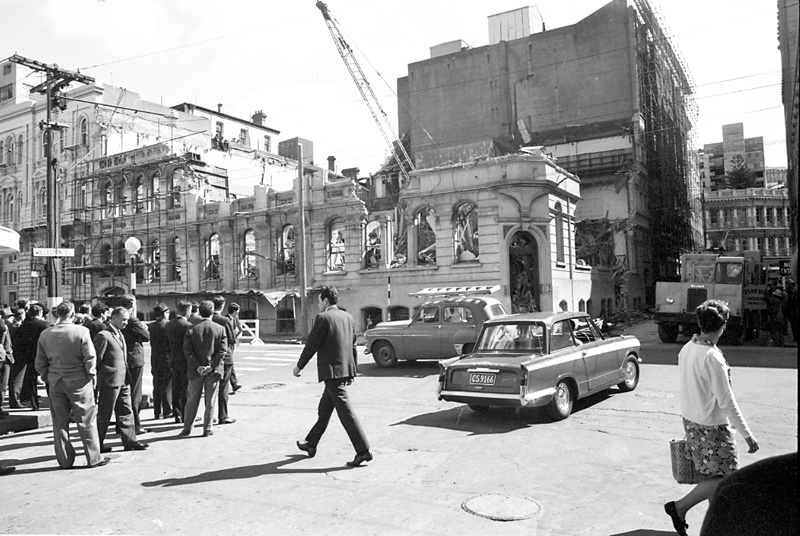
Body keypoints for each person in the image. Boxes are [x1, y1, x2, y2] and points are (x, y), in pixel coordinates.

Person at [664, 299, 758, 536]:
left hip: (693, 421)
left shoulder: (688, 348)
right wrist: (748, 435)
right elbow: (727, 402)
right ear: (723, 326)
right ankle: (679, 507)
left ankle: (718, 526)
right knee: (726, 480)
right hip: (712, 426)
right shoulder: (711, 357)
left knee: (713, 477)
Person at [293, 286, 372, 467]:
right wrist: (353, 370)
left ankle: (363, 451)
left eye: (320, 300)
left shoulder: (323, 318)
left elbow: (311, 345)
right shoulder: (348, 317)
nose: (319, 304)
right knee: (324, 410)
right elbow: (352, 346)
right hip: (343, 370)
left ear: (326, 300)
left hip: (331, 372)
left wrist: (299, 366)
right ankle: (311, 444)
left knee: (346, 412)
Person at [35, 301, 109, 469]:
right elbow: (90, 357)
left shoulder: (45, 334)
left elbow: (39, 362)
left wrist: (48, 376)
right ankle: (93, 457)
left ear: (56, 314)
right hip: (79, 380)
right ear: (72, 313)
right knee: (86, 419)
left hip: (56, 380)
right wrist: (91, 375)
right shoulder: (81, 331)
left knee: (59, 421)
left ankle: (65, 459)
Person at [699, 451, 797, 535]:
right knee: (723, 477)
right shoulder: (749, 481)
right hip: (718, 440)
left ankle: (683, 507)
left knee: (721, 479)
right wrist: (747, 436)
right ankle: (683, 507)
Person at [94, 307, 148, 453]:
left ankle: (130, 441)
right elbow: (97, 360)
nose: (126, 323)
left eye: (127, 320)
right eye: (123, 319)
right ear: (113, 318)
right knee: (105, 413)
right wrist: (95, 379)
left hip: (124, 379)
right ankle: (97, 443)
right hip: (110, 381)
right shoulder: (103, 335)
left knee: (126, 411)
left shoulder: (120, 334)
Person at [180, 300, 227, 437]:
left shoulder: (192, 329)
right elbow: (222, 351)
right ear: (213, 312)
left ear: (199, 312)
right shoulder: (219, 329)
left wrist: (198, 366)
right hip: (213, 370)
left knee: (192, 399)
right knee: (210, 400)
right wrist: (211, 366)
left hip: (196, 370)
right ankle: (207, 428)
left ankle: (187, 427)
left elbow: (187, 350)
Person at [120, 294, 150, 434]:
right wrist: (144, 327)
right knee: (135, 393)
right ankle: (135, 424)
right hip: (134, 357)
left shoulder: (117, 317)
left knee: (124, 392)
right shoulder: (132, 319)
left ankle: (122, 425)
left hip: (124, 357)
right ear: (132, 304)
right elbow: (146, 336)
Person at [11, 304, 48, 411]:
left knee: (31, 382)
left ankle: (34, 405)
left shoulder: (24, 325)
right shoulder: (45, 325)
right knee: (48, 380)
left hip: (29, 356)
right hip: (44, 355)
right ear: (40, 313)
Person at [165, 300, 192, 423]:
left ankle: (177, 413)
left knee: (175, 387)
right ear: (187, 311)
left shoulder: (169, 324)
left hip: (173, 359)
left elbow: (166, 344)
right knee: (185, 388)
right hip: (185, 360)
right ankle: (186, 413)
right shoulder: (188, 326)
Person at [211, 296, 236, 425]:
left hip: (211, 357)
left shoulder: (210, 319)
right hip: (225, 357)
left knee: (210, 388)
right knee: (224, 387)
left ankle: (210, 416)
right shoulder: (225, 320)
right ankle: (223, 415)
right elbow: (231, 339)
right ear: (223, 305)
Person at [148, 303, 172, 420]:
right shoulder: (167, 326)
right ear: (165, 313)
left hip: (155, 359)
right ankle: (167, 410)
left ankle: (157, 411)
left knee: (156, 385)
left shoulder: (151, 326)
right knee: (167, 385)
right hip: (167, 358)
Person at [226, 303, 243, 394]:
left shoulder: (235, 319)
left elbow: (240, 328)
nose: (238, 314)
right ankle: (234, 383)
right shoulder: (226, 320)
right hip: (226, 345)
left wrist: (237, 334)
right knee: (230, 364)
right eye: (237, 312)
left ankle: (233, 383)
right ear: (234, 311)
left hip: (232, 344)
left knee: (229, 365)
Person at [0, 313, 14, 418]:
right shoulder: (2, 325)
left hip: (5, 357)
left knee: (3, 386)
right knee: (2, 384)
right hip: (2, 358)